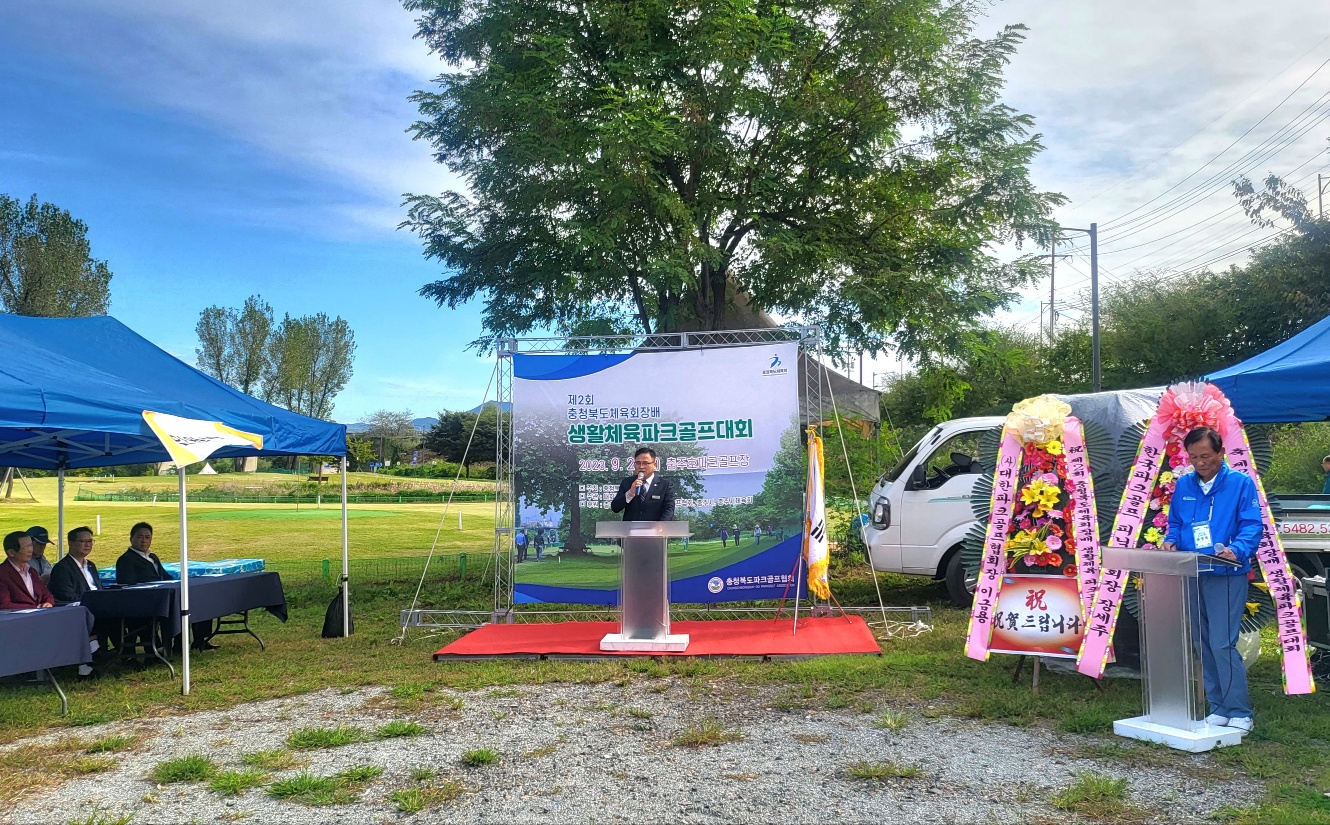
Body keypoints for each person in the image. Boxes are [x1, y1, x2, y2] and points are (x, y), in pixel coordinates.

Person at [1162, 426, 1262, 735]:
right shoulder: (1184, 485)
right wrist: (1170, 541)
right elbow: (1176, 522)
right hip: (1192, 572)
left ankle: (1240, 710)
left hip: (1225, 573)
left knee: (1222, 642)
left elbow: (1251, 524)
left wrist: (1238, 549)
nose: (1200, 462)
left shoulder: (1240, 484)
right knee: (1202, 642)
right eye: (1193, 457)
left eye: (1206, 456)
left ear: (1221, 453)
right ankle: (1218, 707)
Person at [115, 522, 218, 651]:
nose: (144, 541)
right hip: (147, 601)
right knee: (178, 607)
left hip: (164, 595)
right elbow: (127, 583)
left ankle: (199, 640)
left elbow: (165, 576)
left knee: (196, 600)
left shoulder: (152, 557)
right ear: (131, 539)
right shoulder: (126, 560)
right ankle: (175, 646)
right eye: (140, 537)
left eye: (147, 537)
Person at [610, 447, 676, 521]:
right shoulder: (627, 482)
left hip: (655, 530)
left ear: (654, 465)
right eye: (638, 463)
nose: (641, 467)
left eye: (645, 463)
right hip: (630, 530)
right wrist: (631, 492)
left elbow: (669, 509)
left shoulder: (665, 485)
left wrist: (661, 526)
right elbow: (615, 508)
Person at [0, 530, 54, 609]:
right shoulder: (2, 574)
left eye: (31, 546)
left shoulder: (32, 571)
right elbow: (4, 604)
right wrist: (35, 607)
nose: (30, 550)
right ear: (11, 552)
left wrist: (48, 602)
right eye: (26, 547)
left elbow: (47, 595)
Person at [49, 526, 102, 605]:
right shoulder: (62, 568)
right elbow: (66, 595)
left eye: (90, 541)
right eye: (83, 541)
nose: (87, 545)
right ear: (70, 543)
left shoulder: (91, 565)